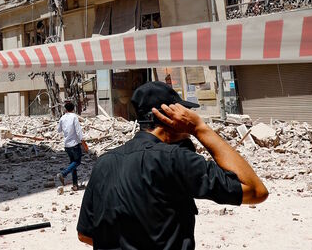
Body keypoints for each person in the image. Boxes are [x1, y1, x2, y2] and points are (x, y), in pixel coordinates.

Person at [77, 81, 269, 249]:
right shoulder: (174, 159)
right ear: (171, 119)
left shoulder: (103, 163)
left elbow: (85, 235)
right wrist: (198, 128)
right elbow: (255, 190)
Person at [57, 101, 87, 191]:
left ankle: (75, 185)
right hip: (74, 144)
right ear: (73, 109)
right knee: (77, 162)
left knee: (73, 164)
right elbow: (78, 131)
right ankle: (63, 174)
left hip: (67, 145)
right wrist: (83, 142)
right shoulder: (74, 117)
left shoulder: (62, 118)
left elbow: (59, 130)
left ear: (65, 109)